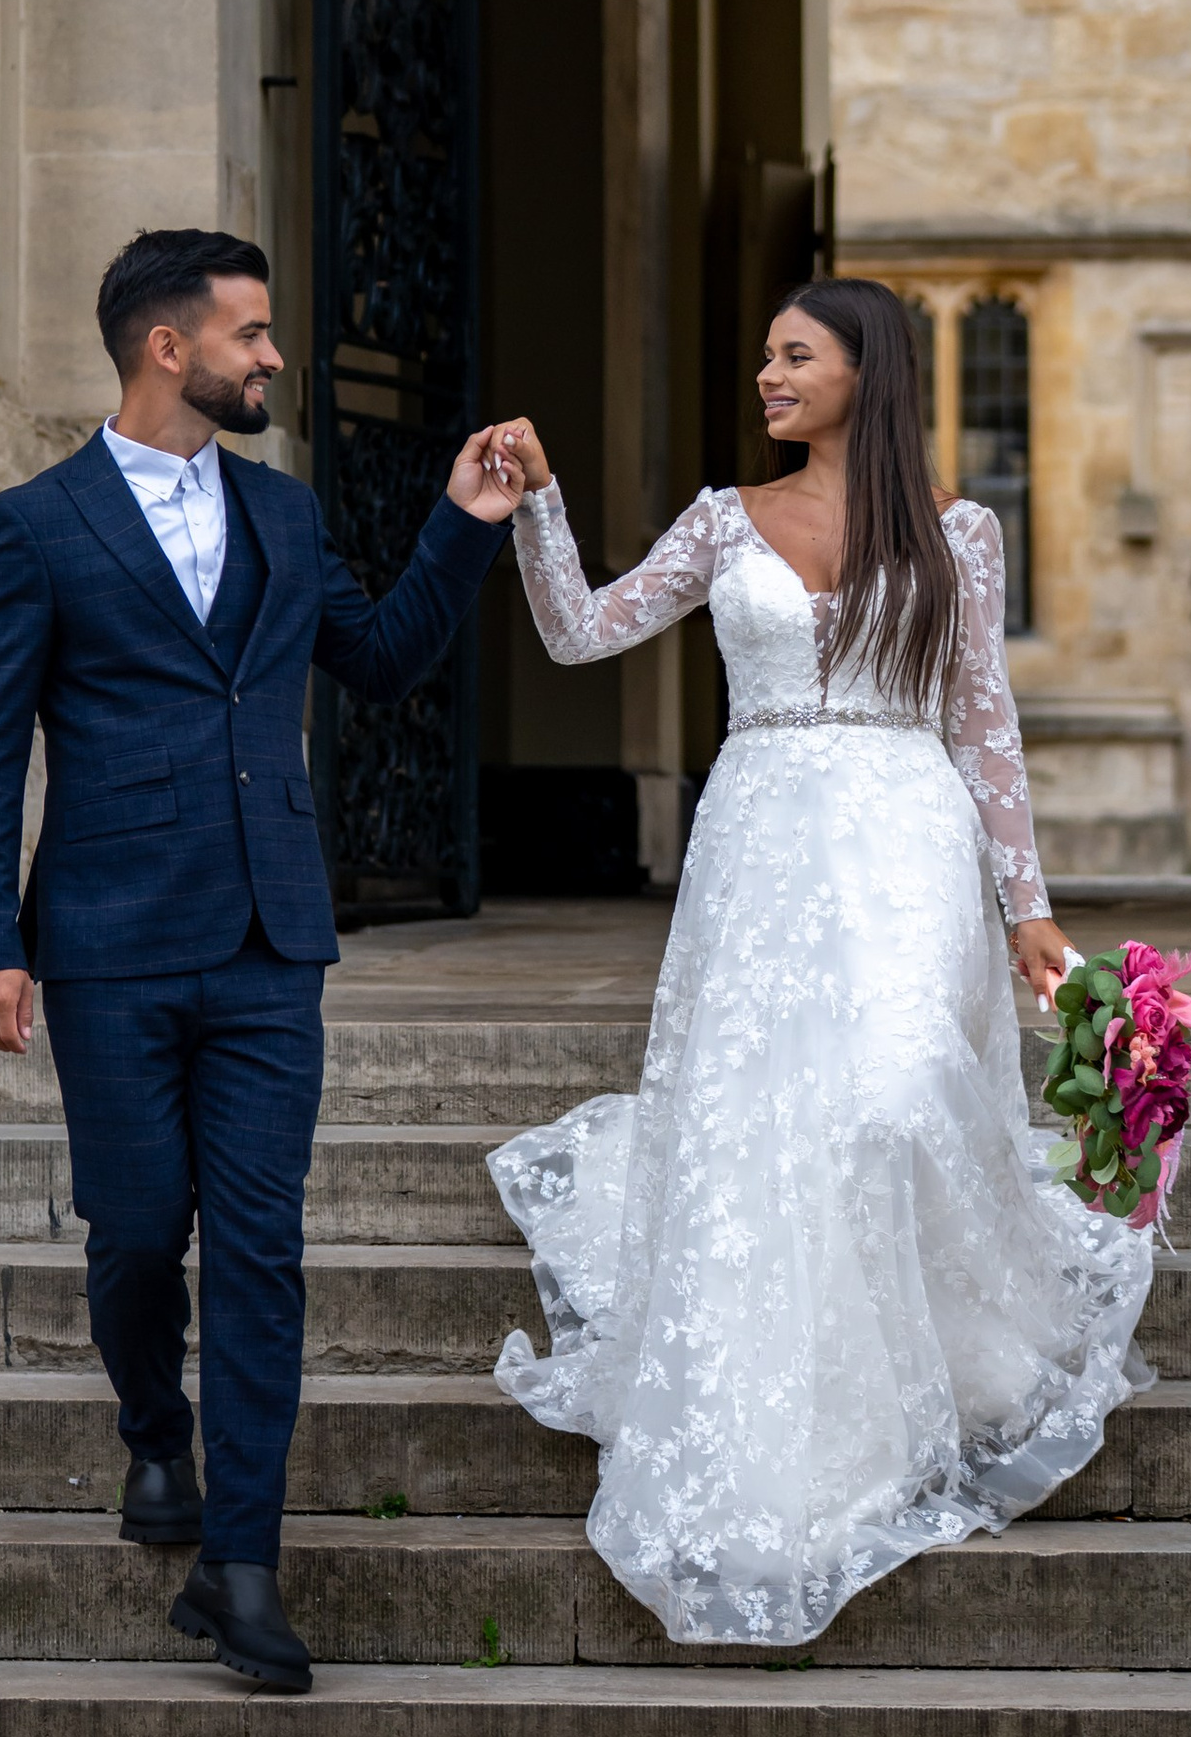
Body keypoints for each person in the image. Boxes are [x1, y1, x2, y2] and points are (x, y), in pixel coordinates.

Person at [483, 278, 1155, 1647]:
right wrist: (539, 508)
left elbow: (986, 722)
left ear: (867, 370)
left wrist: (1027, 907)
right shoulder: (724, 518)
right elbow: (580, 631)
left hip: (910, 833)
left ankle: (934, 1350)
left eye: (796, 356)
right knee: (776, 1115)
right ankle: (812, 1401)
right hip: (762, 839)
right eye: (767, 356)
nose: (769, 377)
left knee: (897, 1092)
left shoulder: (960, 532)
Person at [0, 229, 516, 1696]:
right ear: (168, 347)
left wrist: (464, 522)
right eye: (250, 334)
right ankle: (156, 1439)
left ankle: (242, 1563)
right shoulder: (37, 524)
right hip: (109, 941)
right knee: (139, 1232)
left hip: (272, 938)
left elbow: (380, 659)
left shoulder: (286, 512)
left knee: (260, 1247)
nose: (272, 356)